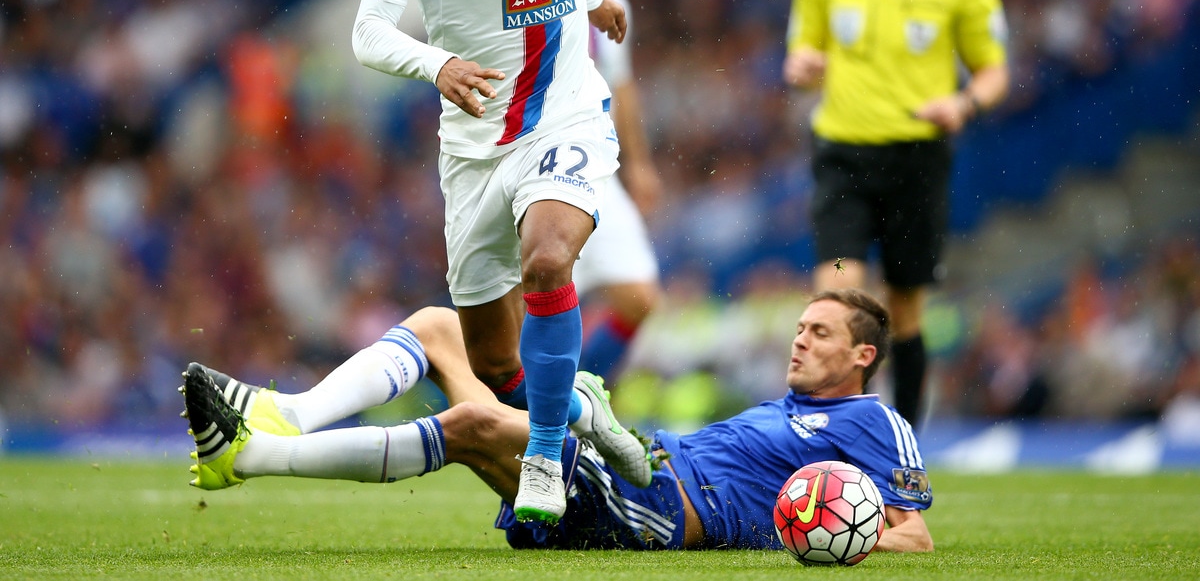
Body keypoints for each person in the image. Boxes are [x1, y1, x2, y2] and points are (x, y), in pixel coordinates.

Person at [348, 0, 635, 521]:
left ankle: (544, 456)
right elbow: (368, 32)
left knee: (548, 259)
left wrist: (592, 1)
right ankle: (583, 409)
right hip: (475, 148)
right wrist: (437, 63)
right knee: (494, 361)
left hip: (567, 116)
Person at [181, 288, 934, 553]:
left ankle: (248, 457)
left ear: (863, 355)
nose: (800, 340)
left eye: (820, 333)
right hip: (646, 463)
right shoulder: (790, 408)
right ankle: (288, 414)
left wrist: (822, 535)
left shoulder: (873, 421)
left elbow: (915, 535)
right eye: (800, 328)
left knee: (473, 424)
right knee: (441, 327)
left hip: (665, 507)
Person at [782, 0, 1010, 426]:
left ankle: (904, 444)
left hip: (917, 162)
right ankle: (825, 431)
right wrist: (802, 66)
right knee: (837, 295)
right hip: (843, 158)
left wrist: (964, 102)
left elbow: (994, 70)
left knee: (905, 307)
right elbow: (800, 54)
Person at [574, 0, 664, 380]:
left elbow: (621, 89)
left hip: (599, 170)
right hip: (546, 169)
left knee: (639, 297)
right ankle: (499, 408)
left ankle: (583, 390)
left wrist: (639, 166)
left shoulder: (616, 5)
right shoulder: (547, 1)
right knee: (529, 311)